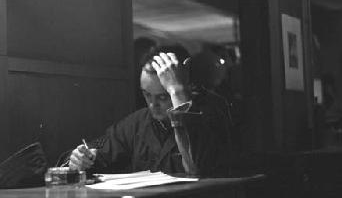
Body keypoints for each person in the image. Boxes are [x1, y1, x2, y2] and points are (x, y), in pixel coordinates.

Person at [69, 46, 232, 178]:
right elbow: (99, 149)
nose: (153, 105)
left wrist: (177, 91)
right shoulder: (138, 122)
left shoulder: (212, 108)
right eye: (147, 95)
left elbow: (196, 167)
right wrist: (82, 158)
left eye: (163, 96)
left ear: (187, 85)